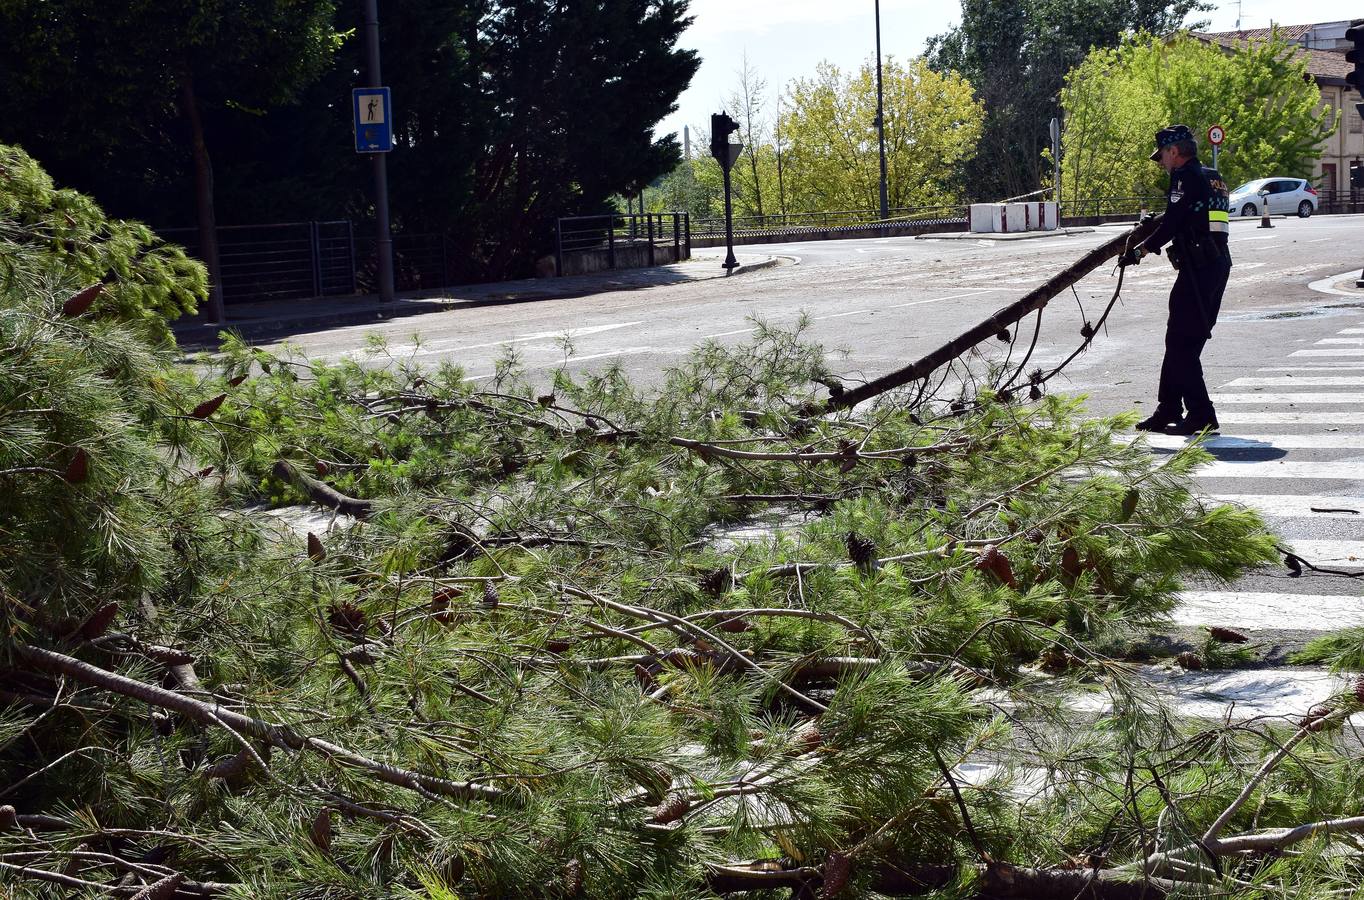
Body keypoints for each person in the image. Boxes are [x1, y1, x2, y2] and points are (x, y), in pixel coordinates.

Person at [1120, 124, 1232, 435]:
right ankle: (1168, 407)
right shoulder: (1213, 177)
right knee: (1182, 340)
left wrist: (1141, 251)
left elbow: (1174, 221)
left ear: (1174, 151)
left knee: (1182, 343)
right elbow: (1192, 214)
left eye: (1163, 157)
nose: (1162, 164)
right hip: (1215, 265)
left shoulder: (1184, 176)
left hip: (1199, 270)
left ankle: (1201, 414)